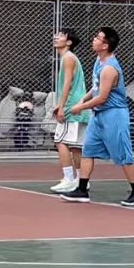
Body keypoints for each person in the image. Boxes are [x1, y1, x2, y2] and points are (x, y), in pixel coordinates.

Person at [60, 27, 134, 206]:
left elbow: (102, 97)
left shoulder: (109, 68)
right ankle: (82, 190)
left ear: (105, 45)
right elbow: (96, 88)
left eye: (98, 38)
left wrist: (80, 107)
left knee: (123, 154)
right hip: (99, 115)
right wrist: (84, 98)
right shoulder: (99, 61)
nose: (94, 40)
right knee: (88, 150)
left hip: (114, 115)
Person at [49, 28, 89, 193]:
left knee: (61, 142)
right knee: (75, 146)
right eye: (56, 35)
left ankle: (69, 179)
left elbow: (67, 83)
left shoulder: (68, 58)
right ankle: (81, 180)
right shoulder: (70, 58)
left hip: (71, 106)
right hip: (77, 106)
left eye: (61, 36)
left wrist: (61, 106)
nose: (56, 37)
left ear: (69, 42)